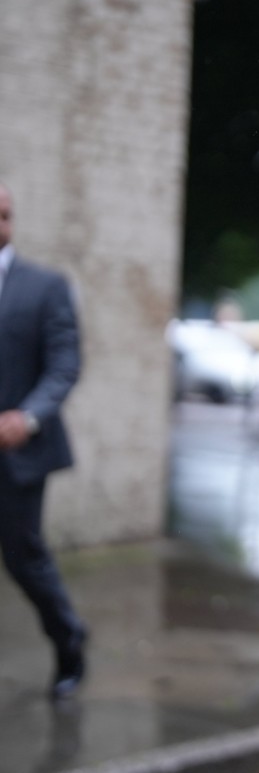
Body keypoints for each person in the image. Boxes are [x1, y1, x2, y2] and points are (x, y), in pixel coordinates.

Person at [0, 182, 88, 700]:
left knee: (23, 557)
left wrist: (27, 418)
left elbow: (65, 364)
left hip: (19, 451)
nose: (1, 225)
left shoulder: (45, 286)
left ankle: (68, 639)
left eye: (7, 215)